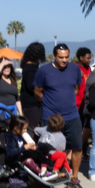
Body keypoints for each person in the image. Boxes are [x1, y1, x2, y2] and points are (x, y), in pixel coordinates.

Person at [33, 43, 85, 178]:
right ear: (53, 56)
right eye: (61, 57)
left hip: (72, 116)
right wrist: (50, 104)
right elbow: (37, 92)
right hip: (50, 117)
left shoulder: (74, 69)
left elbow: (76, 89)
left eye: (67, 57)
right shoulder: (43, 70)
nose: (64, 60)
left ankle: (74, 177)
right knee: (47, 150)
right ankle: (48, 177)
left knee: (77, 147)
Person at [19, 41, 48, 130]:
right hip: (32, 104)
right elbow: (31, 86)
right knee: (32, 128)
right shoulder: (31, 67)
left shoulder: (27, 65)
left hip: (28, 103)